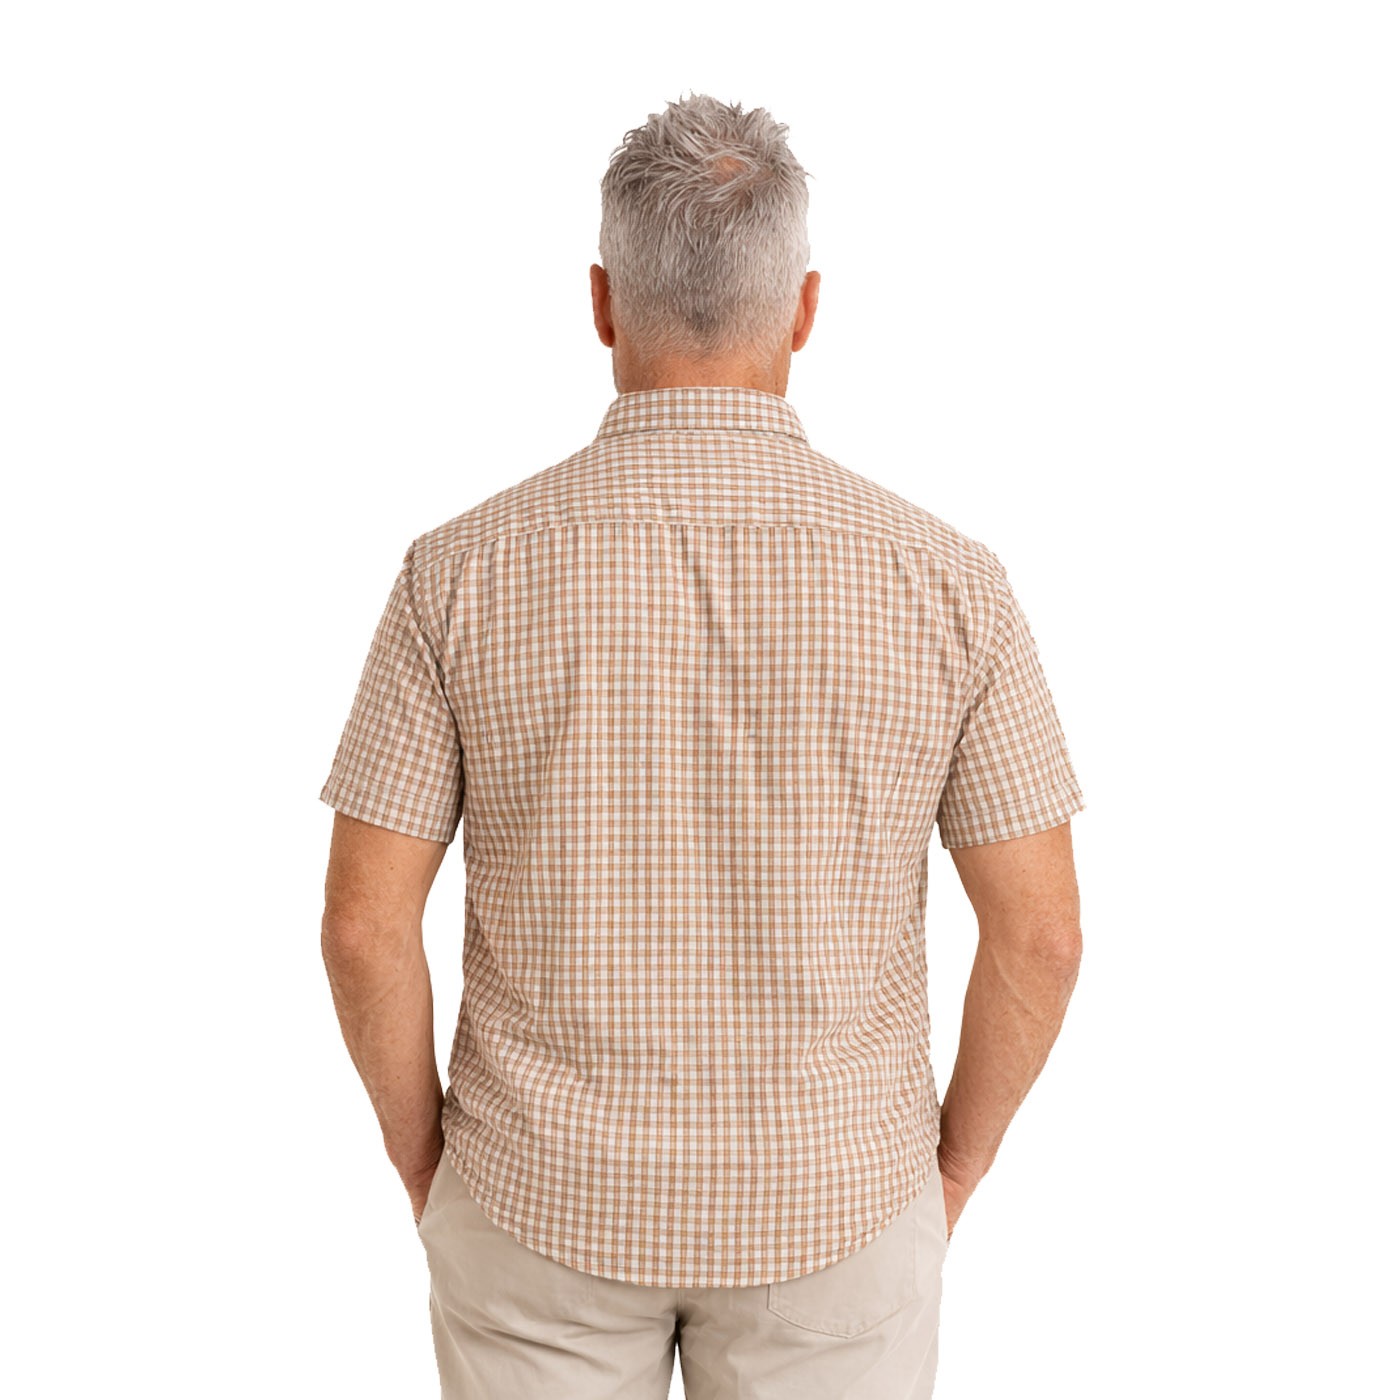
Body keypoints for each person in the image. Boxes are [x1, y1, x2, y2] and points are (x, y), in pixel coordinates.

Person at [318, 92, 1086, 1400]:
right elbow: (1043, 936)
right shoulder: (951, 584)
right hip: (837, 1208)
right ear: (806, 309)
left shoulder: (458, 575)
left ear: (602, 302)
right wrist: (950, 1173)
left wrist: (422, 1165)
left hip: (533, 1198)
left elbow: (361, 925)